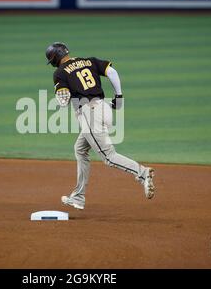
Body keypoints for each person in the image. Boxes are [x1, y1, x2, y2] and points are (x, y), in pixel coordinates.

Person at [46, 42, 156, 210]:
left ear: (54, 59)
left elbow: (63, 100)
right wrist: (118, 95)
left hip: (90, 115)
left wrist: (63, 98)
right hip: (104, 108)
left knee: (109, 156)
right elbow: (112, 71)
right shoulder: (89, 61)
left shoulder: (59, 73)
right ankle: (78, 197)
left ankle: (142, 173)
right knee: (80, 149)